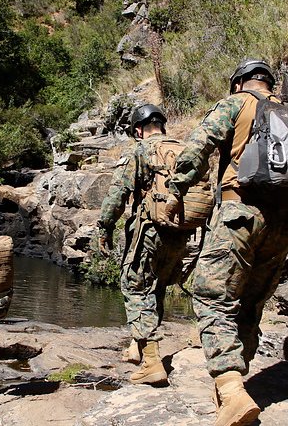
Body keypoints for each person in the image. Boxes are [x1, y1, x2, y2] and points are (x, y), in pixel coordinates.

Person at [165, 59, 288, 426]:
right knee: (251, 304)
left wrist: (176, 188)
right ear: (270, 84)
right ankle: (236, 388)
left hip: (240, 213)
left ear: (238, 83)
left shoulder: (235, 104)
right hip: (281, 226)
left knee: (212, 297)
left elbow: (197, 147)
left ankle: (230, 387)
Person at [97, 103, 191, 386]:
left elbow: (118, 194)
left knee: (134, 286)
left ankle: (152, 361)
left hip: (149, 230)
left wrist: (104, 227)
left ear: (138, 130)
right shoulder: (185, 148)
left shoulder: (141, 150)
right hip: (181, 233)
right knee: (157, 286)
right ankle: (138, 347)